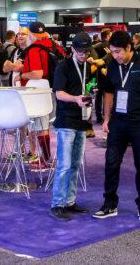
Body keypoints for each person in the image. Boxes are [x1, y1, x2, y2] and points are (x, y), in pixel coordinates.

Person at [94, 29, 140, 221]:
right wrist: (106, 118)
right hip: (118, 122)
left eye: (118, 52)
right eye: (112, 52)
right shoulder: (113, 65)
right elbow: (109, 92)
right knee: (111, 162)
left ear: (129, 47)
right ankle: (109, 204)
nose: (115, 56)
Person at [50, 34, 95, 221]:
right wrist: (76, 99)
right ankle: (57, 204)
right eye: (80, 52)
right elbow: (59, 94)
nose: (83, 55)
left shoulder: (88, 67)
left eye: (86, 52)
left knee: (76, 164)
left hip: (81, 121)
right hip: (66, 121)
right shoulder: (63, 66)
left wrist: (90, 93)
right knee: (64, 165)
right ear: (72, 50)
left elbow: (87, 87)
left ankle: (70, 201)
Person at [22, 22, 66, 168]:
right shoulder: (55, 46)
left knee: (42, 127)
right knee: (47, 125)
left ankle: (46, 160)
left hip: (41, 91)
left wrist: (23, 75)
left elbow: (37, 74)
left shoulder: (34, 49)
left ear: (31, 35)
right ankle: (50, 158)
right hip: (57, 90)